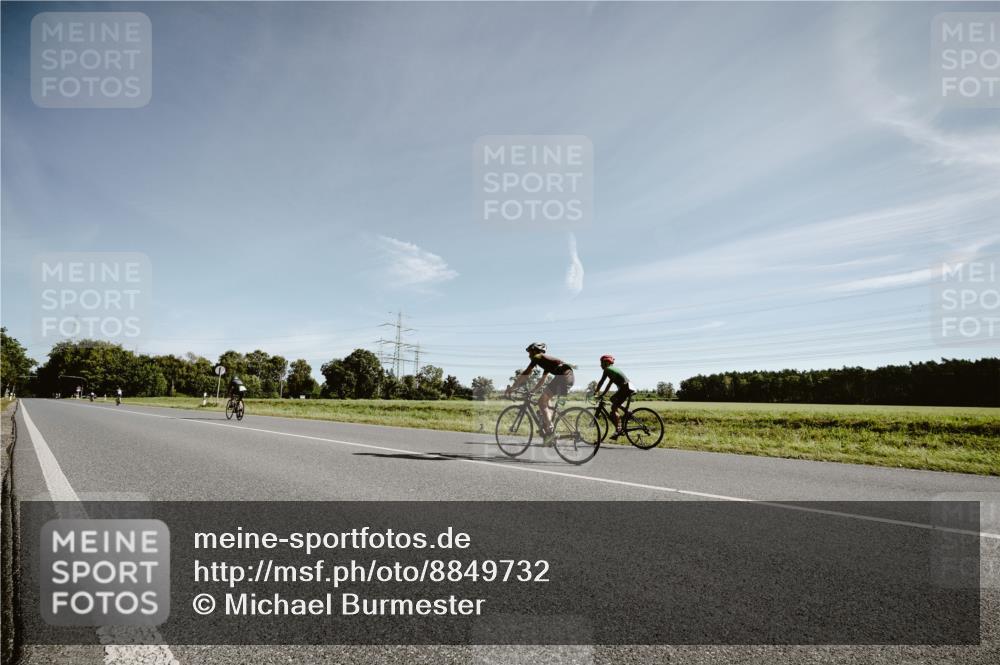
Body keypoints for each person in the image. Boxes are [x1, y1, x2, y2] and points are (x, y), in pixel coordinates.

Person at [505, 343, 574, 440]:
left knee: (541, 402)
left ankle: (550, 429)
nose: (529, 356)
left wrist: (512, 387)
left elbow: (526, 373)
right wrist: (533, 391)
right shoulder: (546, 362)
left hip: (562, 377)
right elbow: (542, 380)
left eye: (529, 353)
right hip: (569, 378)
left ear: (534, 351)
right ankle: (548, 431)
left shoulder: (538, 357)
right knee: (546, 401)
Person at [594, 354, 635, 439]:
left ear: (606, 363)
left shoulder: (607, 369)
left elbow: (602, 382)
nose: (600, 365)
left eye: (601, 363)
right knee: (612, 399)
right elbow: (609, 384)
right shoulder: (613, 369)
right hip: (629, 386)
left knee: (613, 407)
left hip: (625, 388)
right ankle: (627, 411)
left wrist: (596, 392)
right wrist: (602, 394)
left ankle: (619, 429)